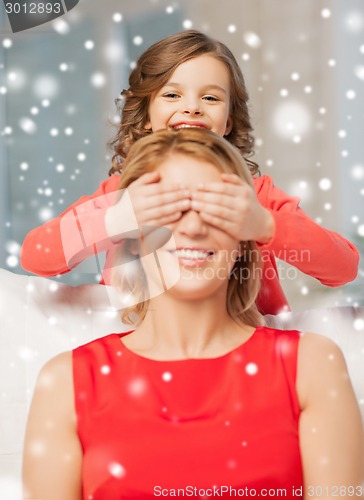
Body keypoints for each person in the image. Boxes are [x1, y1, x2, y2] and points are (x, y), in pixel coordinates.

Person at [22, 129, 363, 499]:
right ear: (130, 236)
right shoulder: (65, 383)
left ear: (245, 237)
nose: (193, 226)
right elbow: (38, 252)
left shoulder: (313, 366)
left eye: (215, 210)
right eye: (168, 210)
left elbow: (341, 263)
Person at [20, 30, 359, 315]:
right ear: (147, 115)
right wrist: (115, 218)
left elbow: (343, 267)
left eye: (210, 97)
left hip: (245, 355)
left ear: (228, 121)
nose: (192, 106)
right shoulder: (121, 193)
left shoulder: (255, 196)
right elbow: (36, 256)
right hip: (141, 356)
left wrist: (265, 224)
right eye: (172, 94)